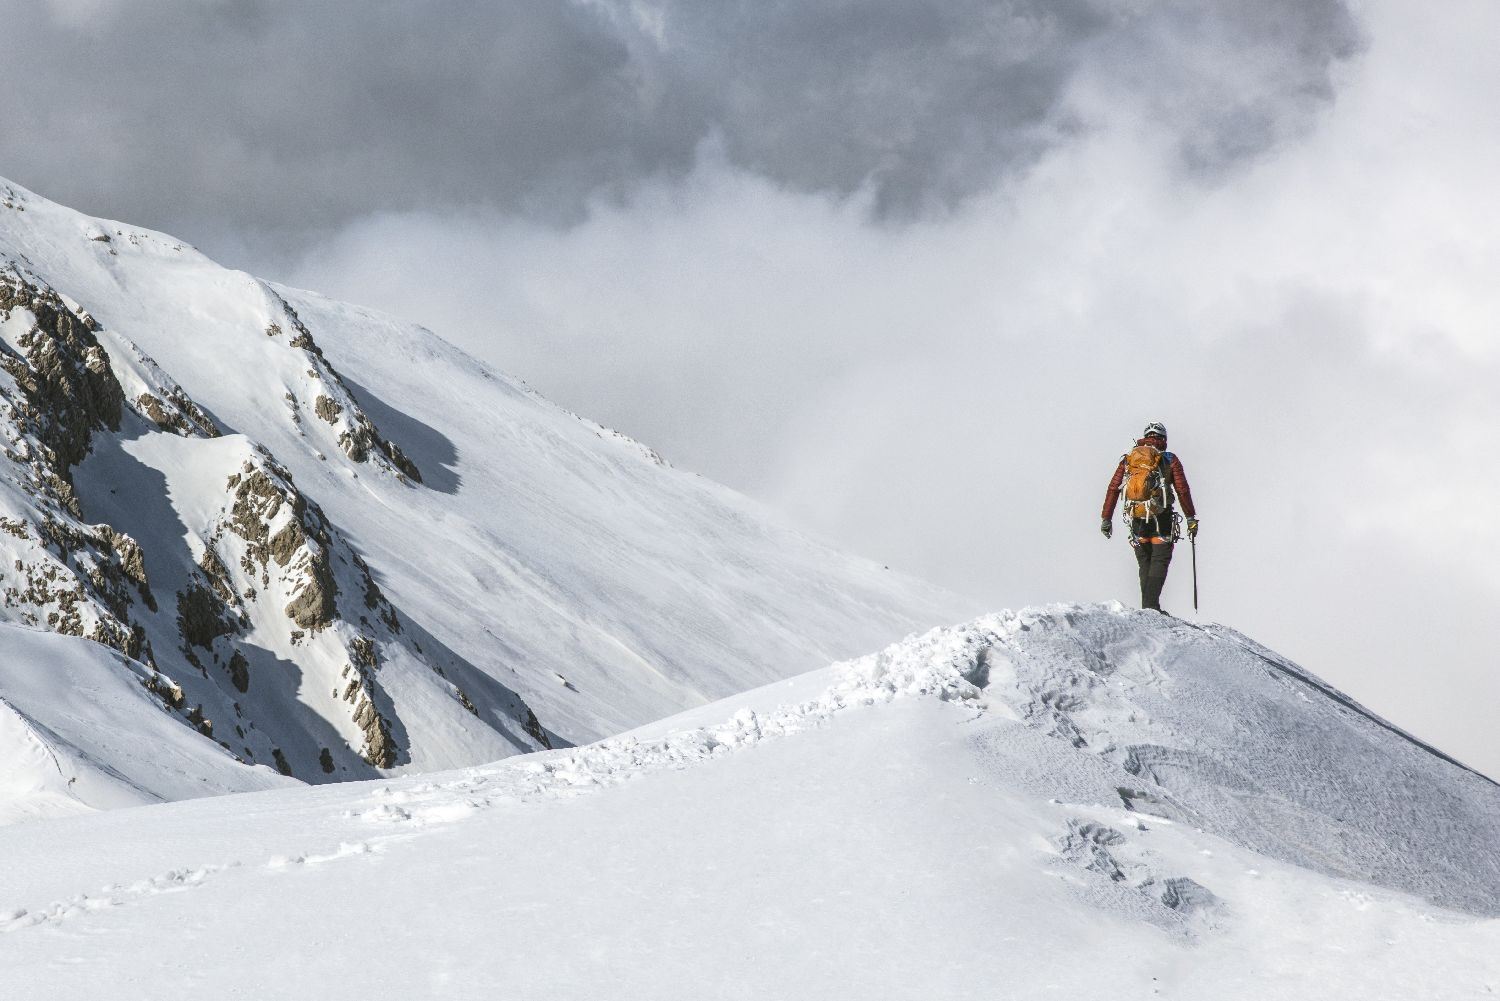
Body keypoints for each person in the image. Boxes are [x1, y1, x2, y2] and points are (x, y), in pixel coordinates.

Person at [1099, 422, 1199, 612]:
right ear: (1164, 439)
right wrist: (1190, 518)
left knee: (1144, 561)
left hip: (1136, 517)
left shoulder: (1129, 459)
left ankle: (1148, 608)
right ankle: (1151, 607)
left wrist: (1106, 519)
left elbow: (1113, 488)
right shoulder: (1169, 458)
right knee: (1159, 560)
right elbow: (1182, 490)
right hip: (1162, 518)